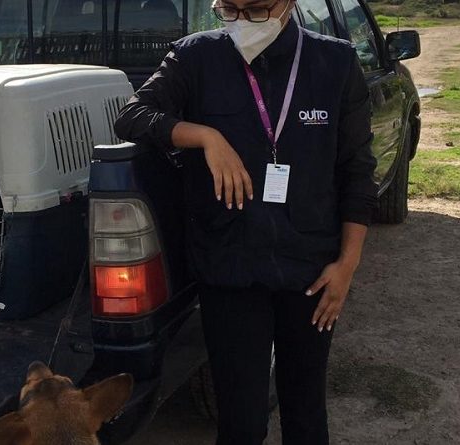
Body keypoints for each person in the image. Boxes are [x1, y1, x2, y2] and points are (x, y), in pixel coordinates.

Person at [113, 0, 378, 444]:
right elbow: (132, 116)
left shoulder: (334, 62)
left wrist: (346, 265)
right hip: (230, 267)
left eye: (255, 10)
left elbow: (357, 170)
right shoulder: (196, 56)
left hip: (311, 271)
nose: (242, 22)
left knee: (306, 412)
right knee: (240, 421)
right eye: (229, 9)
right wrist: (205, 136)